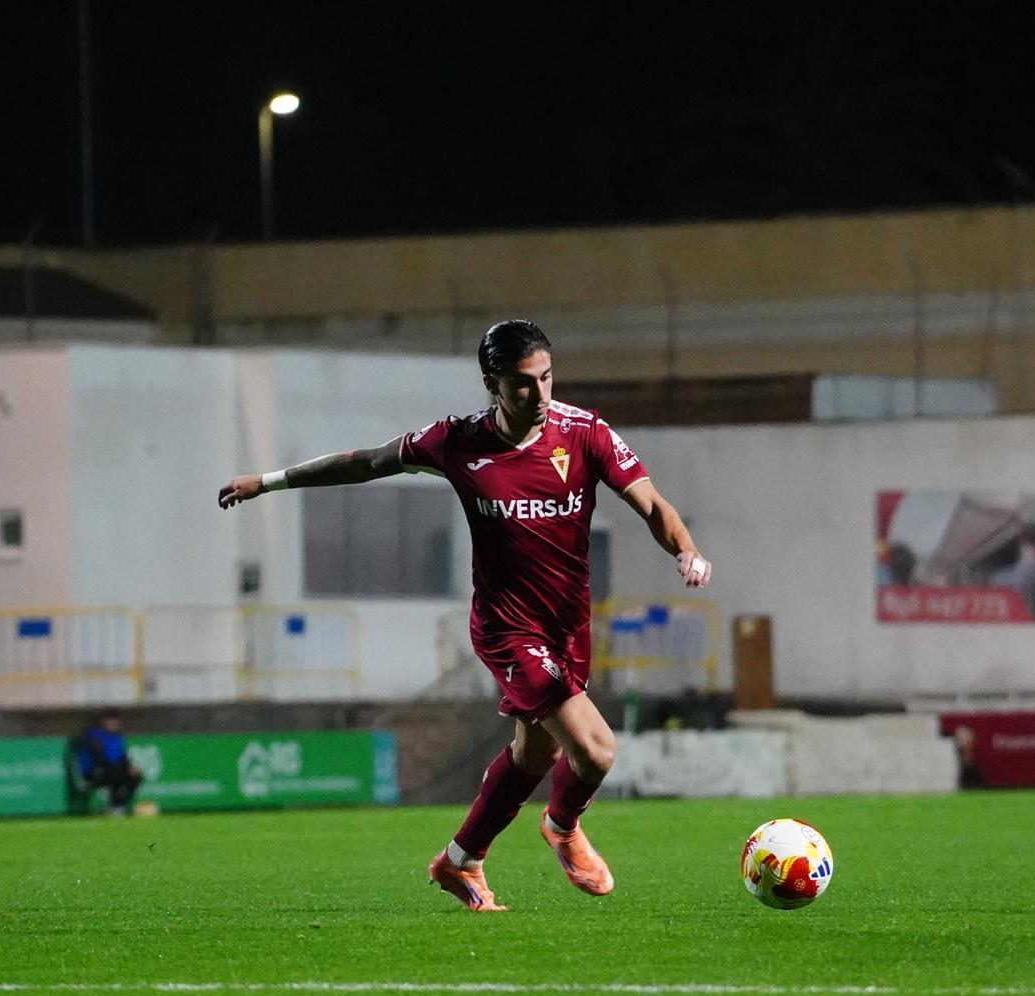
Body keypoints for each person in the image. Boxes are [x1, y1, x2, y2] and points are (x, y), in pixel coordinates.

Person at [216, 320, 712, 911]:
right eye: (522, 384)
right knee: (597, 750)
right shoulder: (456, 441)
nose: (539, 394)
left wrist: (685, 549)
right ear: (492, 385)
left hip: (568, 626)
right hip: (507, 628)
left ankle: (460, 861)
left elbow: (652, 503)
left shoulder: (585, 434)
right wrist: (268, 482)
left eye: (546, 378)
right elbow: (367, 463)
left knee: (537, 754)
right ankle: (562, 825)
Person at [70, 713, 143, 816]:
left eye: (116, 722)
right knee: (115, 774)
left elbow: (122, 757)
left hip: (113, 770)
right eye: (111, 721)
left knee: (135, 775)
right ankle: (114, 806)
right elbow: (99, 758)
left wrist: (130, 767)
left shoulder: (118, 738)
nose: (114, 724)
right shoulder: (93, 735)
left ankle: (118, 805)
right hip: (94, 771)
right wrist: (122, 768)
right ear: (103, 722)